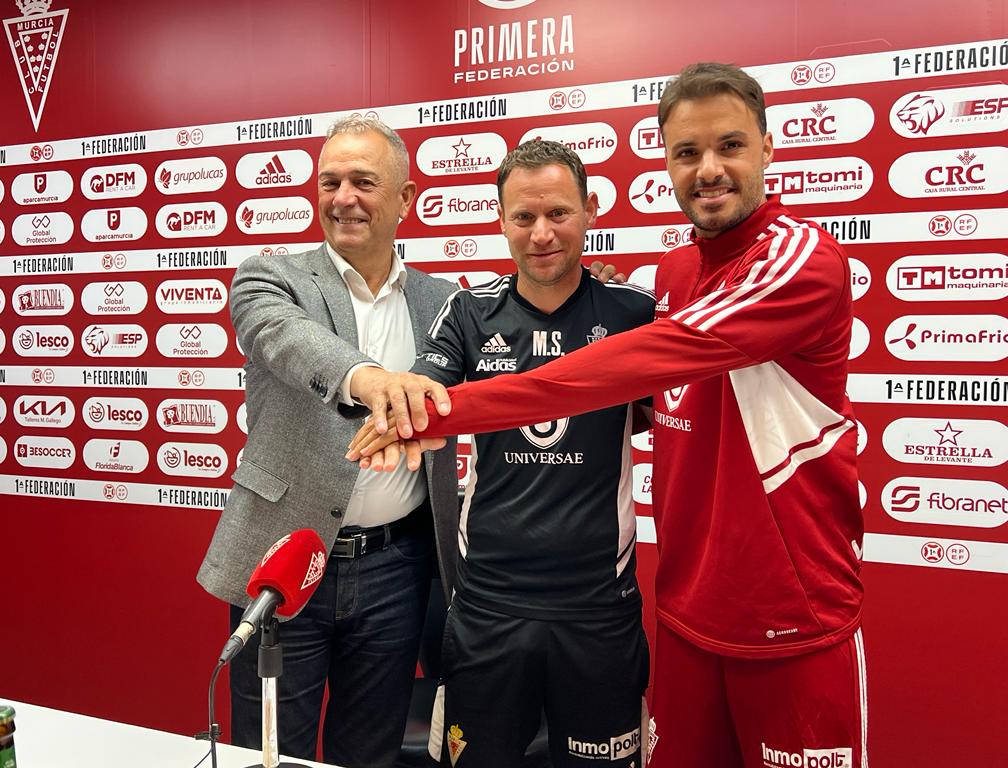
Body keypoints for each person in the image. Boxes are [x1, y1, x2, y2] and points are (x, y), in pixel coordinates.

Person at [350, 63, 868, 768]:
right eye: (687, 153)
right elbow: (663, 409)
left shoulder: (787, 266)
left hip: (778, 617)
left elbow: (623, 375)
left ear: (769, 149)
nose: (708, 169)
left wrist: (449, 412)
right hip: (674, 611)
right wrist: (409, 405)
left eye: (730, 146)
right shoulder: (673, 277)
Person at [196, 116, 461, 767]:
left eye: (364, 182)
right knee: (268, 755)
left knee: (369, 754)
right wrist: (367, 379)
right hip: (281, 563)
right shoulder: (271, 277)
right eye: (331, 181)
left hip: (397, 570)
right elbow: (287, 340)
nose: (344, 197)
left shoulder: (445, 301)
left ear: (404, 199)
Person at [410, 139, 654, 768]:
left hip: (599, 606)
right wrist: (398, 418)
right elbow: (421, 395)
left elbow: (679, 419)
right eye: (523, 217)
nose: (541, 233)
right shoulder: (467, 313)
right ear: (501, 220)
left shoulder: (636, 315)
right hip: (489, 602)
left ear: (590, 211)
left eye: (558, 214)